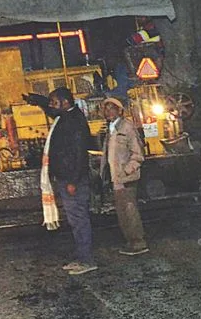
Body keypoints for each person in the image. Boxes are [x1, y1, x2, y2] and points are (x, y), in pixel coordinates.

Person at [41, 88, 97, 275]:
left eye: (54, 102)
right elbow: (50, 110)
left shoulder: (74, 122)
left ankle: (87, 260)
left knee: (79, 219)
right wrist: (37, 101)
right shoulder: (65, 117)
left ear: (65, 103)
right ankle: (82, 256)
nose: (51, 106)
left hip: (73, 179)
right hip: (66, 177)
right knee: (75, 220)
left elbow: (80, 153)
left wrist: (73, 180)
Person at [101, 98, 149, 256]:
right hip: (117, 178)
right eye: (105, 109)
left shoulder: (127, 127)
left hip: (126, 178)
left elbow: (138, 154)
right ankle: (130, 241)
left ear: (119, 110)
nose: (108, 112)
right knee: (122, 211)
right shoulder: (110, 129)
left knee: (129, 210)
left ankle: (138, 242)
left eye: (111, 108)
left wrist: (127, 171)